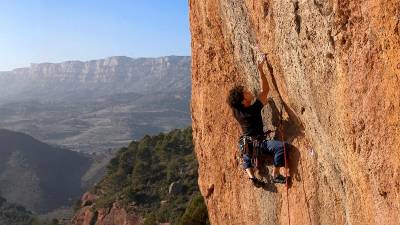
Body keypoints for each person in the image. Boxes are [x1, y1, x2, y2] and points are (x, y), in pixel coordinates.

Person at [226, 55, 289, 186]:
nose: (249, 91)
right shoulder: (252, 110)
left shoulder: (237, 111)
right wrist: (260, 69)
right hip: (259, 143)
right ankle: (276, 174)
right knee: (281, 147)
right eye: (246, 93)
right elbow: (265, 91)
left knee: (246, 155)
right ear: (244, 101)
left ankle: (252, 177)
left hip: (246, 142)